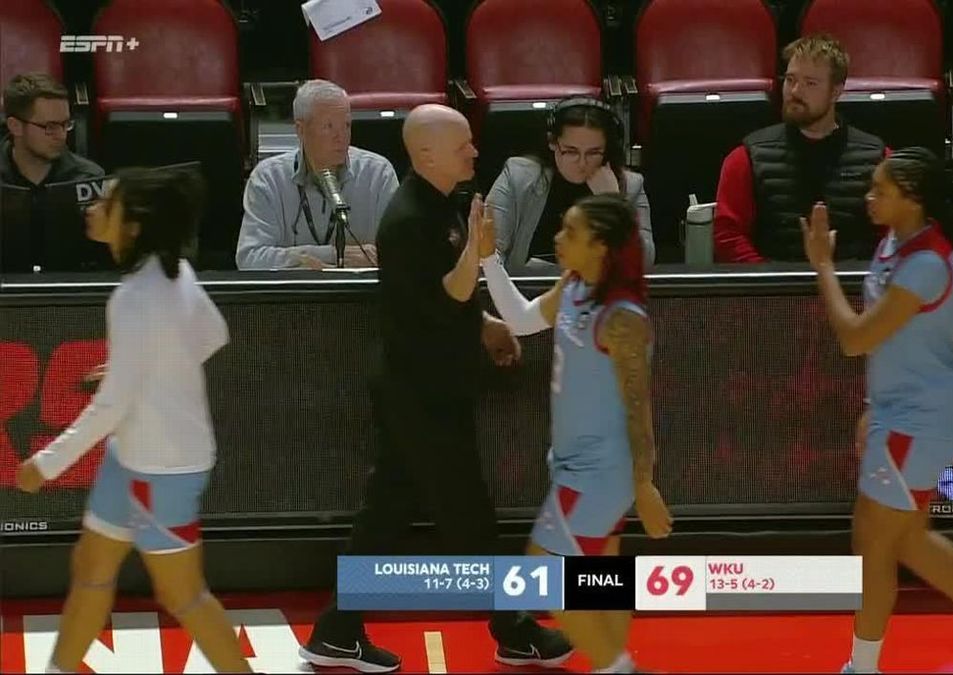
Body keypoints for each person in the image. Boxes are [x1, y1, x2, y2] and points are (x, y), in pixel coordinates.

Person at [299, 104, 571, 673]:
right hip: (421, 394)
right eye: (464, 144)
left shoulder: (438, 206)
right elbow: (445, 291)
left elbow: (441, 301)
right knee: (468, 514)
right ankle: (513, 627)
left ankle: (336, 630)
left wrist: (487, 325)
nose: (475, 151)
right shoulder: (407, 220)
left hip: (427, 387)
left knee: (385, 513)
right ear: (426, 154)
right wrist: (476, 251)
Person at [802, 147, 953, 673]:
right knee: (907, 538)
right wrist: (874, 405)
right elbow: (894, 343)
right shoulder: (896, 242)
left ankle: (862, 668)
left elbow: (854, 338)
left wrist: (822, 266)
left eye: (881, 191)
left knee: (872, 542)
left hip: (922, 419)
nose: (870, 198)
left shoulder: (924, 265)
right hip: (905, 412)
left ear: (912, 200)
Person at [14, 167, 249, 673]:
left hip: (161, 471)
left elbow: (112, 407)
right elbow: (212, 334)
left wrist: (45, 464)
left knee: (183, 595)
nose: (92, 209)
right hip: (131, 458)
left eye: (105, 203)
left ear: (134, 224)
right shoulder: (174, 273)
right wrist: (140, 367)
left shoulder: (137, 299)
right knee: (91, 569)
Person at [479, 193, 672, 674]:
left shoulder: (624, 318)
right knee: (601, 581)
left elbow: (638, 408)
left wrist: (645, 484)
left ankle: (619, 668)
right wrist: (487, 257)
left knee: (544, 580)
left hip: (598, 473)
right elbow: (522, 321)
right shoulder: (574, 287)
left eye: (571, 232)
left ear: (601, 246)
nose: (559, 238)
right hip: (574, 466)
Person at [714, 34, 886, 264]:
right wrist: (772, 284)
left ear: (836, 91)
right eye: (790, 80)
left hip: (854, 294)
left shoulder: (879, 159)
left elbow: (894, 236)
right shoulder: (745, 158)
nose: (795, 91)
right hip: (772, 295)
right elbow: (728, 235)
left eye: (810, 83)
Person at [235, 79, 398, 270]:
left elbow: (402, 254)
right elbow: (249, 259)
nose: (342, 137)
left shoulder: (378, 174)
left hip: (360, 296)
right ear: (301, 130)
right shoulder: (268, 178)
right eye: (328, 127)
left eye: (346, 125)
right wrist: (333, 254)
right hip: (295, 297)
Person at [486, 96, 654, 272]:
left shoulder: (631, 186)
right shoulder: (517, 177)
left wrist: (613, 204)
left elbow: (644, 264)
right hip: (526, 296)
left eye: (594, 152)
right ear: (552, 142)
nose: (582, 163)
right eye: (571, 151)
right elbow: (489, 252)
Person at [1, 72, 106, 273]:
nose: (61, 135)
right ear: (15, 126)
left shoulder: (88, 179)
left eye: (65, 124)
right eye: (49, 127)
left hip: (70, 299)